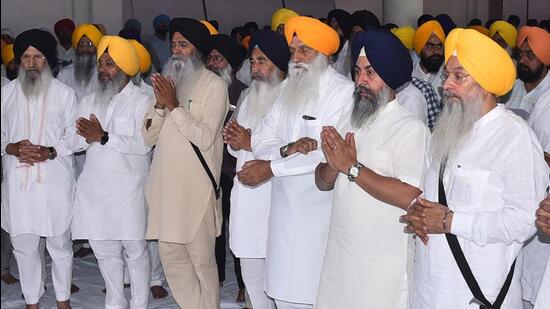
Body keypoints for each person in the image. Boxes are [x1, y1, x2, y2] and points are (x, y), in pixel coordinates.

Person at [404, 28, 549, 309]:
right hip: (429, 289)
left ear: (486, 82)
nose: (446, 85)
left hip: (479, 294)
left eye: (459, 77)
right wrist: (417, 212)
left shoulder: (514, 137)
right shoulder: (445, 129)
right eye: (447, 76)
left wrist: (450, 221)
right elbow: (431, 193)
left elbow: (523, 220)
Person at [239, 16, 354, 309]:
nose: (296, 58)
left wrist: (271, 167)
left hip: (319, 215)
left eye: (305, 51)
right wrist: (287, 150)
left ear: (324, 54)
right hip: (281, 214)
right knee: (281, 294)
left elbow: (329, 154)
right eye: (293, 51)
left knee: (313, 295)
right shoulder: (289, 87)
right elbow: (262, 137)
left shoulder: (344, 93)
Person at [315, 29, 430, 309]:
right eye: (357, 72)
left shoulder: (410, 129)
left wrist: (352, 168)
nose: (361, 81)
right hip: (341, 256)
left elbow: (410, 194)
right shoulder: (349, 118)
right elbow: (322, 181)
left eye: (370, 72)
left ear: (389, 77)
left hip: (382, 265)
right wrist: (333, 167)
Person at [143, 17, 229, 309]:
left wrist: (173, 106)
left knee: (202, 261)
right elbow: (148, 136)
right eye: (174, 44)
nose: (176, 50)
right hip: (165, 189)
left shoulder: (214, 86)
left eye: (184, 44)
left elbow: (205, 137)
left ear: (198, 50)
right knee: (172, 258)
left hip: (198, 191)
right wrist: (159, 104)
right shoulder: (167, 83)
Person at [71, 35, 152, 309]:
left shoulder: (142, 101)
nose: (103, 70)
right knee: (105, 253)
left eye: (111, 64)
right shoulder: (89, 101)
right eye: (102, 64)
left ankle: (139, 304)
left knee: (135, 251)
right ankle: (115, 303)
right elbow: (72, 140)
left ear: (127, 68)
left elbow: (143, 145)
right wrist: (84, 137)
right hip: (95, 190)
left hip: (129, 190)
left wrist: (103, 136)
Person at [1, 28, 79, 309]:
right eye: (26, 57)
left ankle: (62, 300)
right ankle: (32, 302)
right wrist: (12, 148)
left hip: (55, 180)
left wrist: (51, 151)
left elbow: (77, 136)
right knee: (24, 246)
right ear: (18, 61)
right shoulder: (6, 94)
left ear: (49, 61)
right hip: (18, 184)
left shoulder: (65, 94)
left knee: (59, 245)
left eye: (38, 57)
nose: (31, 63)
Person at [223, 29, 289, 309]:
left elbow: (295, 150)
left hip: (278, 201)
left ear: (279, 63)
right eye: (253, 62)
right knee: (253, 281)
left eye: (263, 61)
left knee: (282, 285)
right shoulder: (249, 95)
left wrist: (250, 142)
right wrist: (236, 141)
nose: (256, 68)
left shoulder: (292, 98)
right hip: (248, 202)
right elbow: (234, 145)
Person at [205, 32, 248, 302]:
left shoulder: (241, 92)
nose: (212, 64)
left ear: (230, 64)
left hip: (233, 170)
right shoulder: (204, 90)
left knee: (237, 227)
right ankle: (218, 277)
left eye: (218, 59)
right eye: (209, 58)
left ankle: (244, 283)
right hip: (210, 168)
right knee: (215, 228)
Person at [505, 26, 550, 119]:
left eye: (530, 55)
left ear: (544, 59)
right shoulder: (510, 88)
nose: (521, 60)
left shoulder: (547, 93)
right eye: (520, 54)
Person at [57, 23, 103, 102]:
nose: (84, 48)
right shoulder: (64, 74)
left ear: (97, 47)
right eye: (81, 44)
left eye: (89, 44)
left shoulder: (104, 73)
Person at [412, 20, 445, 100]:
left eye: (439, 46)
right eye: (430, 46)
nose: (436, 51)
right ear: (419, 49)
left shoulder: (449, 77)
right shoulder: (408, 75)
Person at [327, 9, 353, 77]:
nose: (333, 31)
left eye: (336, 27)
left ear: (345, 29)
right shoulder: (327, 49)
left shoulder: (351, 52)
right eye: (331, 26)